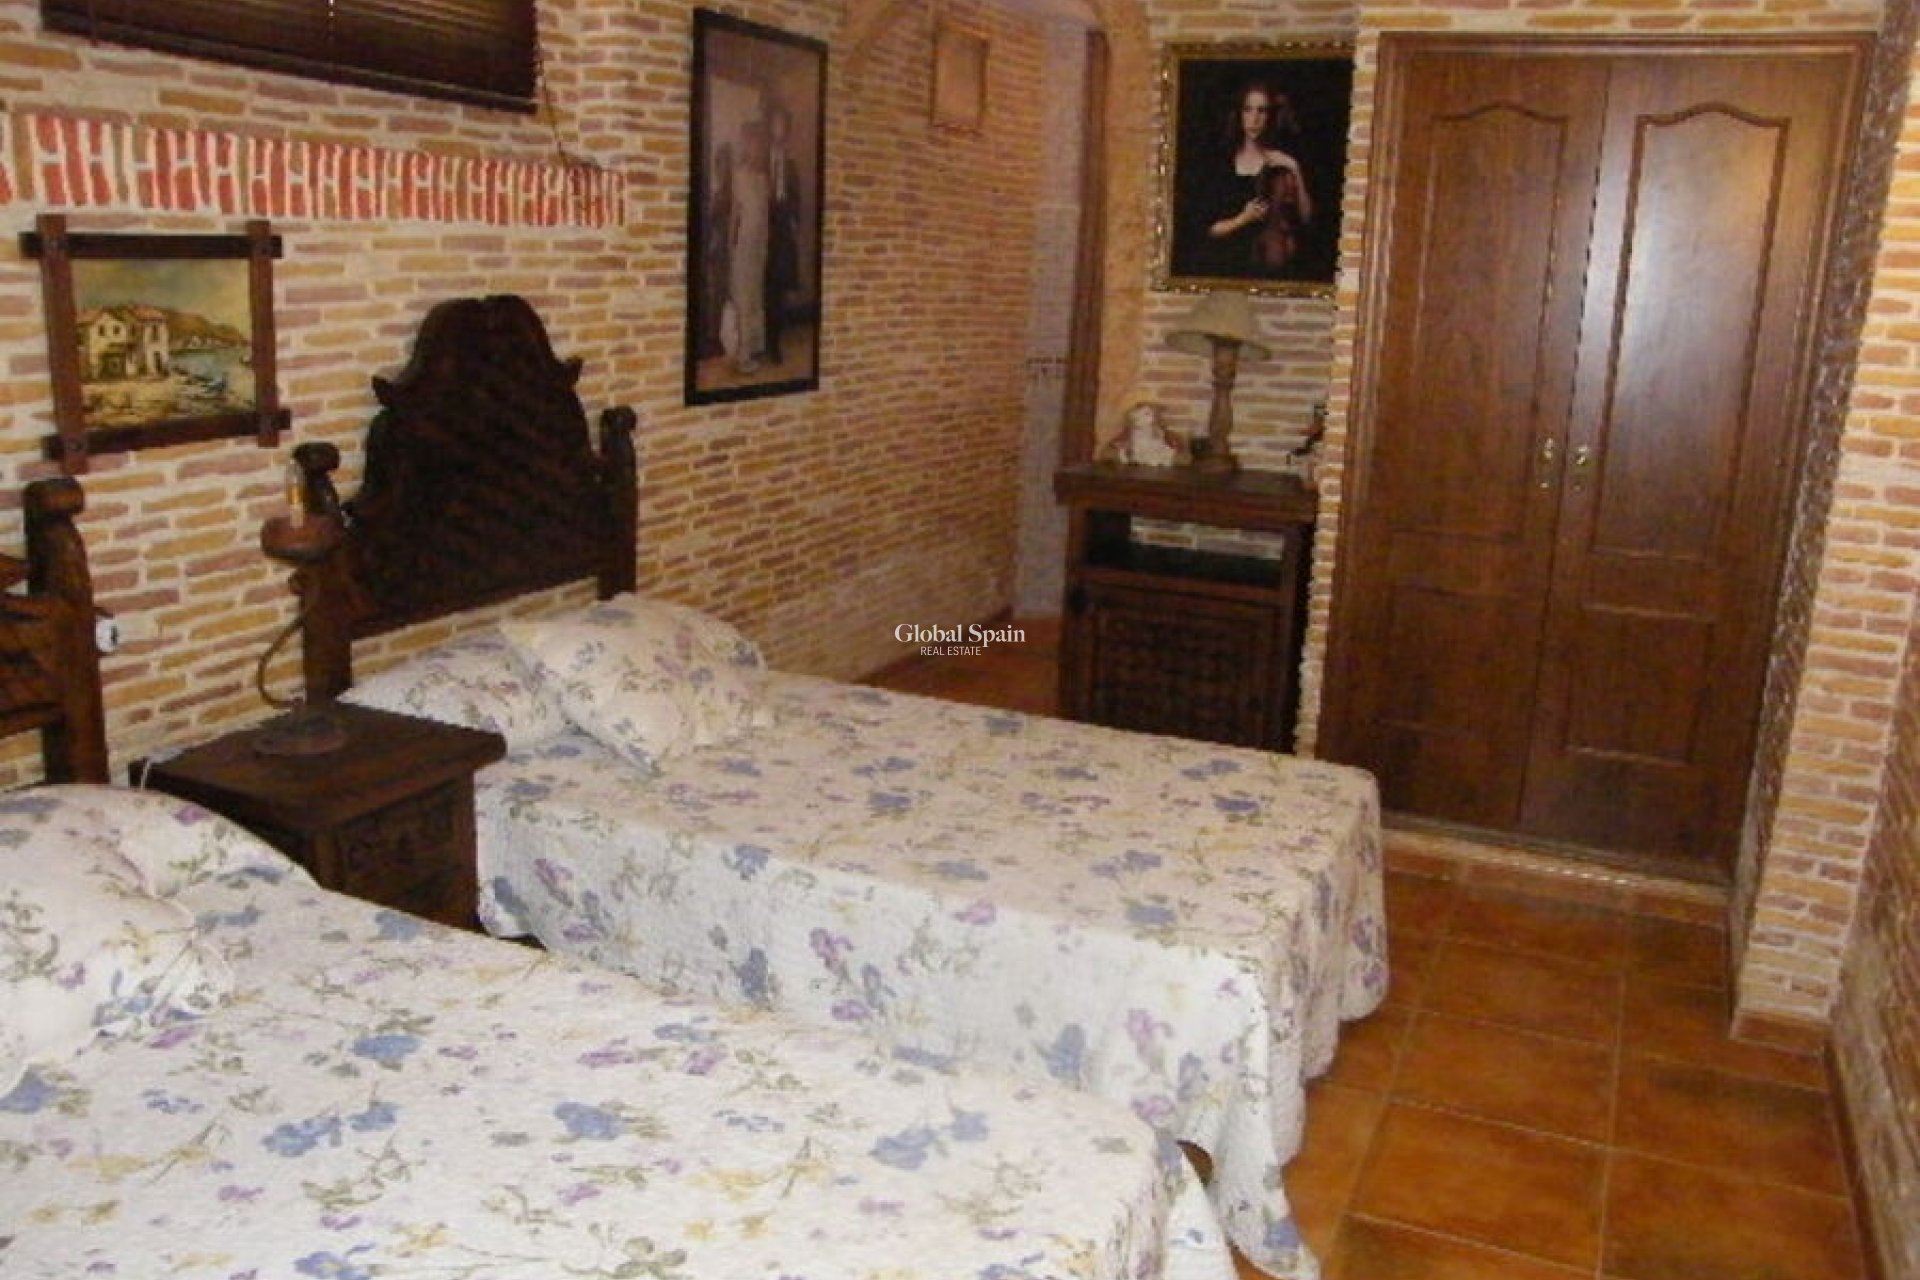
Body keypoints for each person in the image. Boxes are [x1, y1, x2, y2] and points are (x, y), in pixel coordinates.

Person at [1190, 80, 1313, 279]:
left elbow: (1306, 217)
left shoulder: (1280, 163)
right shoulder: (1222, 164)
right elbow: (1209, 229)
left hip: (1272, 262)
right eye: (1248, 110)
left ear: (1270, 116)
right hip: (1227, 263)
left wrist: (1295, 168)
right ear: (1239, 115)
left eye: (1261, 111)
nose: (1254, 119)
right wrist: (1243, 219)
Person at [727, 120, 771, 374]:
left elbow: (765, 217)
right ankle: (742, 355)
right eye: (750, 143)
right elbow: (735, 213)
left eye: (758, 144)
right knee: (743, 297)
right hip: (743, 244)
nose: (755, 148)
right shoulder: (738, 175)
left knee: (755, 297)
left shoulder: (764, 179)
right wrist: (730, 245)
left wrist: (766, 244)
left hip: (759, 246)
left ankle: (753, 348)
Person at [763, 101, 803, 364]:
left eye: (783, 125)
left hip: (781, 228)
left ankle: (774, 343)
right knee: (759, 285)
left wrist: (794, 223)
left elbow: (796, 199)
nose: (779, 129)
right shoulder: (759, 156)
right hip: (760, 222)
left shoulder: (790, 163)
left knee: (778, 287)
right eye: (775, 123)